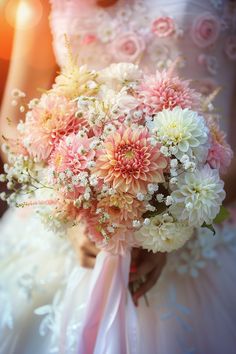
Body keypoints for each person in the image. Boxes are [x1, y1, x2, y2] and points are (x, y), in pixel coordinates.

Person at [0, 0, 236, 353]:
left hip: (206, 223)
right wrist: (71, 208)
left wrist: (176, 222)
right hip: (72, 227)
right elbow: (13, 123)